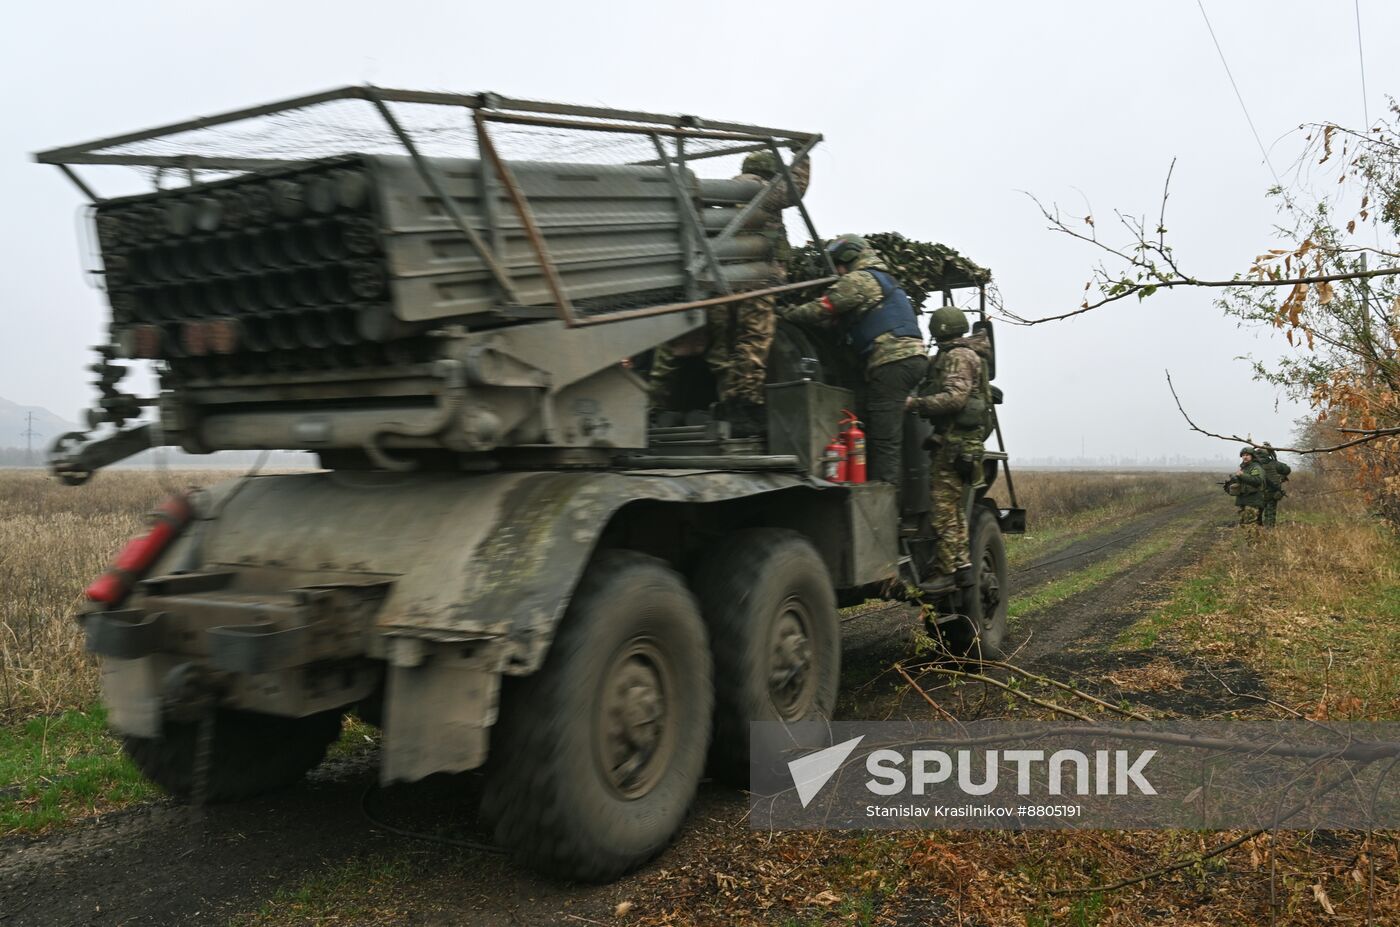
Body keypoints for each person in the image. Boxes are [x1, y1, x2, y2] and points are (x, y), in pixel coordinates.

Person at [650, 149, 811, 436]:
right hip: (756, 281)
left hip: (721, 285)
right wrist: (803, 154)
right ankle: (742, 406)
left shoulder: (722, 195)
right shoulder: (764, 190)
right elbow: (796, 188)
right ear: (770, 172)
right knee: (752, 342)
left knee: (721, 349)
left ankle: (682, 404)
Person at [778, 234, 927, 485]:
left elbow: (823, 308)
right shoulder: (884, 280)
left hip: (893, 363)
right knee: (870, 422)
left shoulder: (860, 280)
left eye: (837, 264)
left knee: (884, 437)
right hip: (903, 361)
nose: (837, 270)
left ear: (848, 257)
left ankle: (884, 496)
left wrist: (786, 314)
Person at [905, 306, 994, 590]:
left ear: (939, 330)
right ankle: (963, 568)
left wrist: (916, 404)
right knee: (954, 509)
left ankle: (947, 571)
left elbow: (954, 399)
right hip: (957, 443)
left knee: (942, 509)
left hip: (956, 446)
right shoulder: (961, 354)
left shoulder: (958, 356)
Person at [1254, 443, 1291, 527]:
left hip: (1256, 494)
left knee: (1256, 514)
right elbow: (1287, 469)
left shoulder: (1252, 464)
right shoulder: (1273, 463)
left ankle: (1256, 531)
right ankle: (1269, 533)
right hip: (1272, 493)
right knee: (1270, 514)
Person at [1234, 447, 1266, 534]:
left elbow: (1257, 481)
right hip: (1244, 500)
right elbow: (1243, 482)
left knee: (1250, 525)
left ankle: (1254, 545)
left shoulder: (1256, 467)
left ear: (1252, 456)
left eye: (1247, 455)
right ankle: (1256, 544)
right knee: (1245, 524)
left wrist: (1242, 475)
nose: (1245, 457)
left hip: (1253, 501)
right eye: (1243, 455)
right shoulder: (1244, 467)